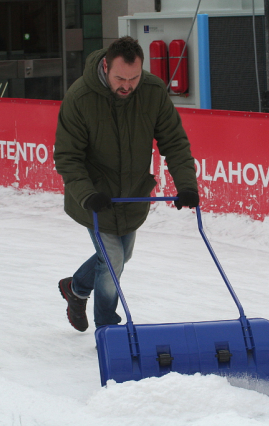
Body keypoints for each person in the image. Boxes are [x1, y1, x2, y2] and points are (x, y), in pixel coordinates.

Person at [53, 36, 199, 332]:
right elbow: (68, 157)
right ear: (106, 66)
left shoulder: (152, 91)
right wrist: (87, 194)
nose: (127, 85)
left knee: (121, 256)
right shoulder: (80, 97)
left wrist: (186, 185)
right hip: (96, 198)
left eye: (133, 78)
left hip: (132, 196)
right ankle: (109, 330)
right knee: (112, 261)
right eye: (120, 78)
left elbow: (174, 141)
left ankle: (76, 287)